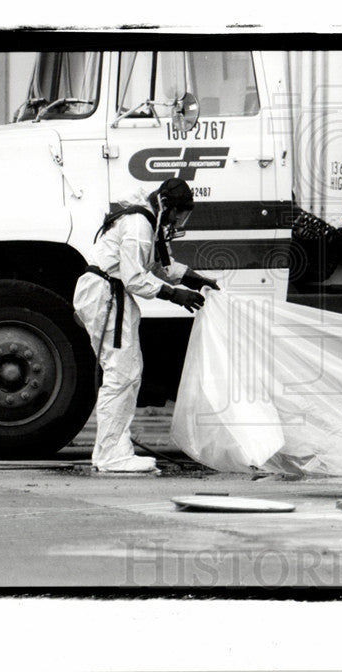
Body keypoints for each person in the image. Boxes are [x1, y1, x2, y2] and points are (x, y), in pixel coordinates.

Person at [73, 178, 220, 473]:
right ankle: (111, 455)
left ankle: (115, 450)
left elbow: (160, 266)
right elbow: (135, 278)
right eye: (179, 214)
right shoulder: (139, 224)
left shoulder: (147, 221)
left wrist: (194, 278)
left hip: (110, 294)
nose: (179, 221)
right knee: (121, 373)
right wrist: (174, 295)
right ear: (166, 205)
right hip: (107, 294)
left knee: (127, 372)